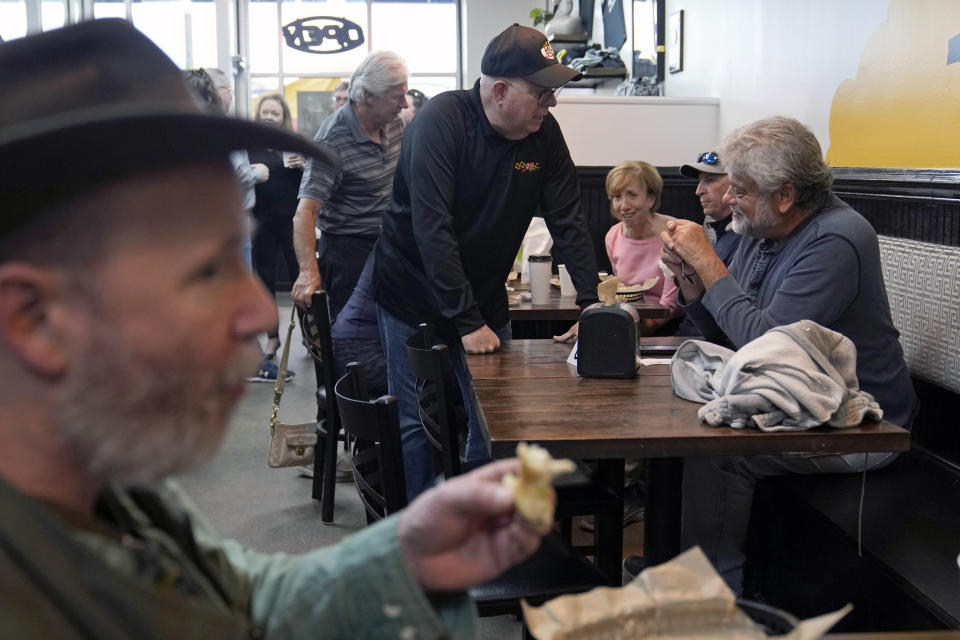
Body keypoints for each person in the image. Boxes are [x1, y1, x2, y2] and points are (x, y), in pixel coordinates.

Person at [0, 20, 547, 636]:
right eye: (206, 271)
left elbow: (241, 599)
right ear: (35, 319)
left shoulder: (109, 488)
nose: (264, 314)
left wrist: (403, 555)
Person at [651, 116, 918, 593]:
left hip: (863, 425)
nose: (729, 199)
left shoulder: (836, 238)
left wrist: (710, 261)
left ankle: (709, 603)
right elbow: (729, 330)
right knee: (675, 431)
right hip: (797, 400)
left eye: (741, 190)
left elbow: (765, 349)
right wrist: (690, 275)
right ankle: (675, 570)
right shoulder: (763, 226)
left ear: (786, 195)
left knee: (718, 455)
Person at [372, 23, 600, 500]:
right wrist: (466, 320)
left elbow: (569, 219)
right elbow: (432, 229)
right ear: (500, 90)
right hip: (411, 293)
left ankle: (478, 524)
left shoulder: (542, 135)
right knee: (417, 417)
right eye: (542, 93)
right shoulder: (441, 122)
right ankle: (422, 539)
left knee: (495, 418)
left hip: (484, 296)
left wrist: (592, 304)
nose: (551, 103)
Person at [292, 51, 408, 321]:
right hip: (348, 251)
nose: (404, 104)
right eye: (396, 96)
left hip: (389, 243)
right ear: (369, 96)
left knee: (393, 328)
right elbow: (305, 212)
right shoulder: (332, 140)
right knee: (354, 340)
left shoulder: (395, 124)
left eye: (405, 94)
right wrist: (309, 272)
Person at [247, 93, 304, 379]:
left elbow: (311, 181)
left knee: (302, 278)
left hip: (293, 222)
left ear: (283, 116)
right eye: (265, 112)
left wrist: (304, 167)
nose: (269, 116)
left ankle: (310, 333)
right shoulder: (249, 145)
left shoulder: (293, 145)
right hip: (261, 221)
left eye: (274, 112)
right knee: (265, 280)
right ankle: (272, 337)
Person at [190, 67, 268, 269]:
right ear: (214, 91)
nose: (231, 96)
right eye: (227, 90)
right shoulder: (217, 128)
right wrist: (256, 173)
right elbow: (234, 173)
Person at [603, 160, 680, 335]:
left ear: (651, 199)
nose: (623, 205)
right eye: (617, 196)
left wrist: (630, 332)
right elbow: (621, 292)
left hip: (668, 327)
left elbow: (670, 306)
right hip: (627, 318)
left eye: (632, 195)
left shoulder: (672, 233)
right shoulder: (613, 236)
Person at [674, 150, 737, 335]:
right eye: (700, 181)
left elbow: (727, 323)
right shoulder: (722, 235)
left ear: (737, 184)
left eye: (710, 180)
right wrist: (680, 267)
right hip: (691, 338)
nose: (698, 190)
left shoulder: (747, 239)